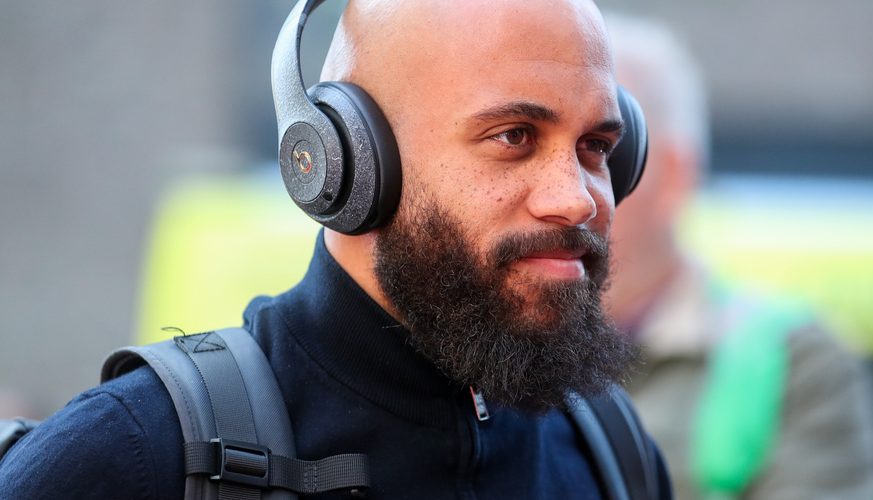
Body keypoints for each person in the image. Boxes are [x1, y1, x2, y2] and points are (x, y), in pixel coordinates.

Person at [0, 1, 673, 498]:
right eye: (514, 136)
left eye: (596, 148)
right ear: (343, 161)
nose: (579, 198)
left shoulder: (612, 457)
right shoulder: (134, 454)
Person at [603, 13, 873, 500]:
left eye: (600, 151)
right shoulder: (491, 345)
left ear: (674, 176)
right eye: (523, 141)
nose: (567, 189)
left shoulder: (797, 363)